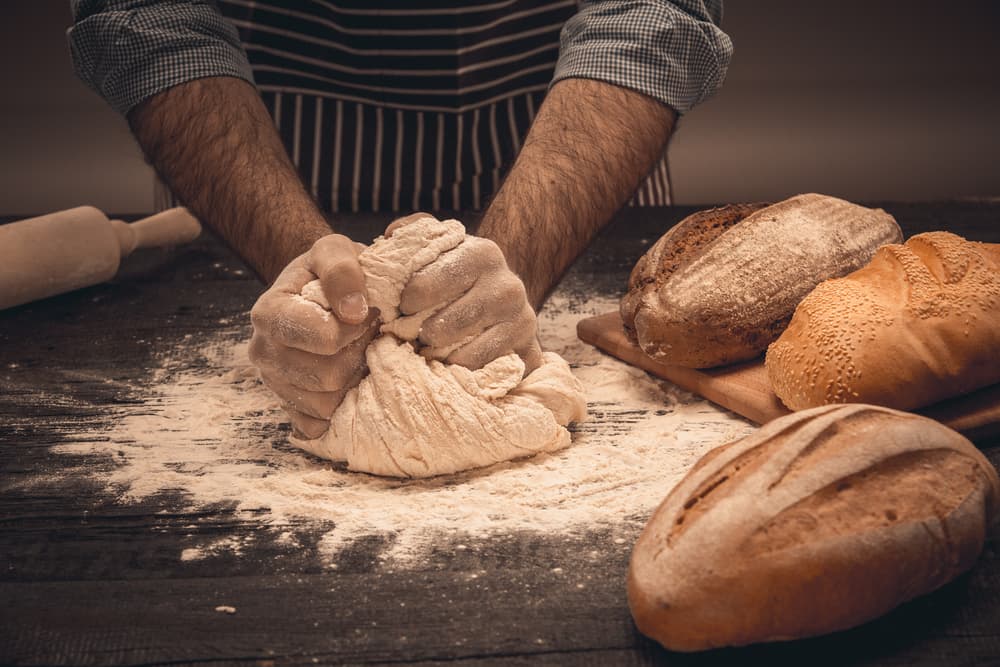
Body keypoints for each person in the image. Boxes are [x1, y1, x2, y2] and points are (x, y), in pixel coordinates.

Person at [68, 1, 732, 437]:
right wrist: (316, 291)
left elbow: (652, 13)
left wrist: (513, 263)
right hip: (260, 134)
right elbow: (150, 16)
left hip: (564, 132)